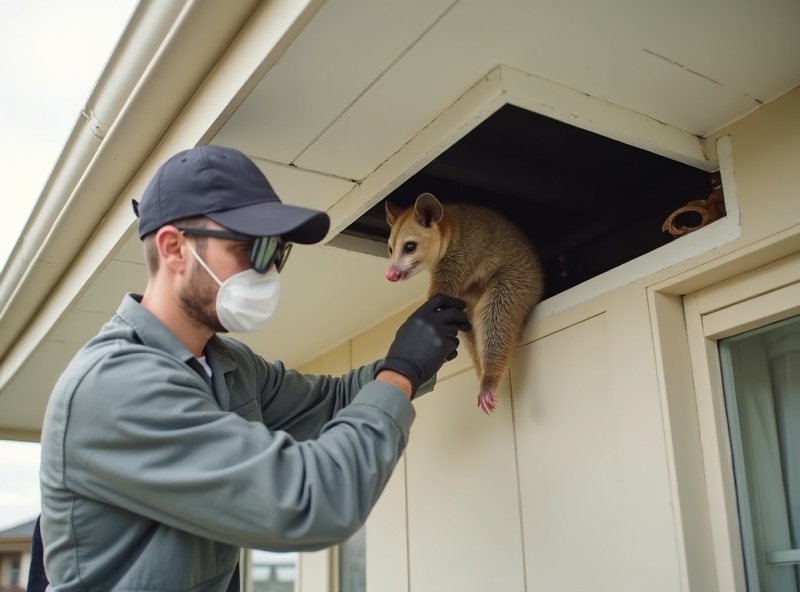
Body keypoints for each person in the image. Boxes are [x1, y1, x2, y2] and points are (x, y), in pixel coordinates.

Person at [36, 145, 471, 591]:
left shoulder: (228, 364)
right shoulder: (119, 384)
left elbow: (331, 401)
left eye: (276, 253)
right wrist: (398, 373)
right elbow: (309, 501)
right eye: (252, 248)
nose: (268, 272)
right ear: (173, 248)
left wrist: (416, 357)